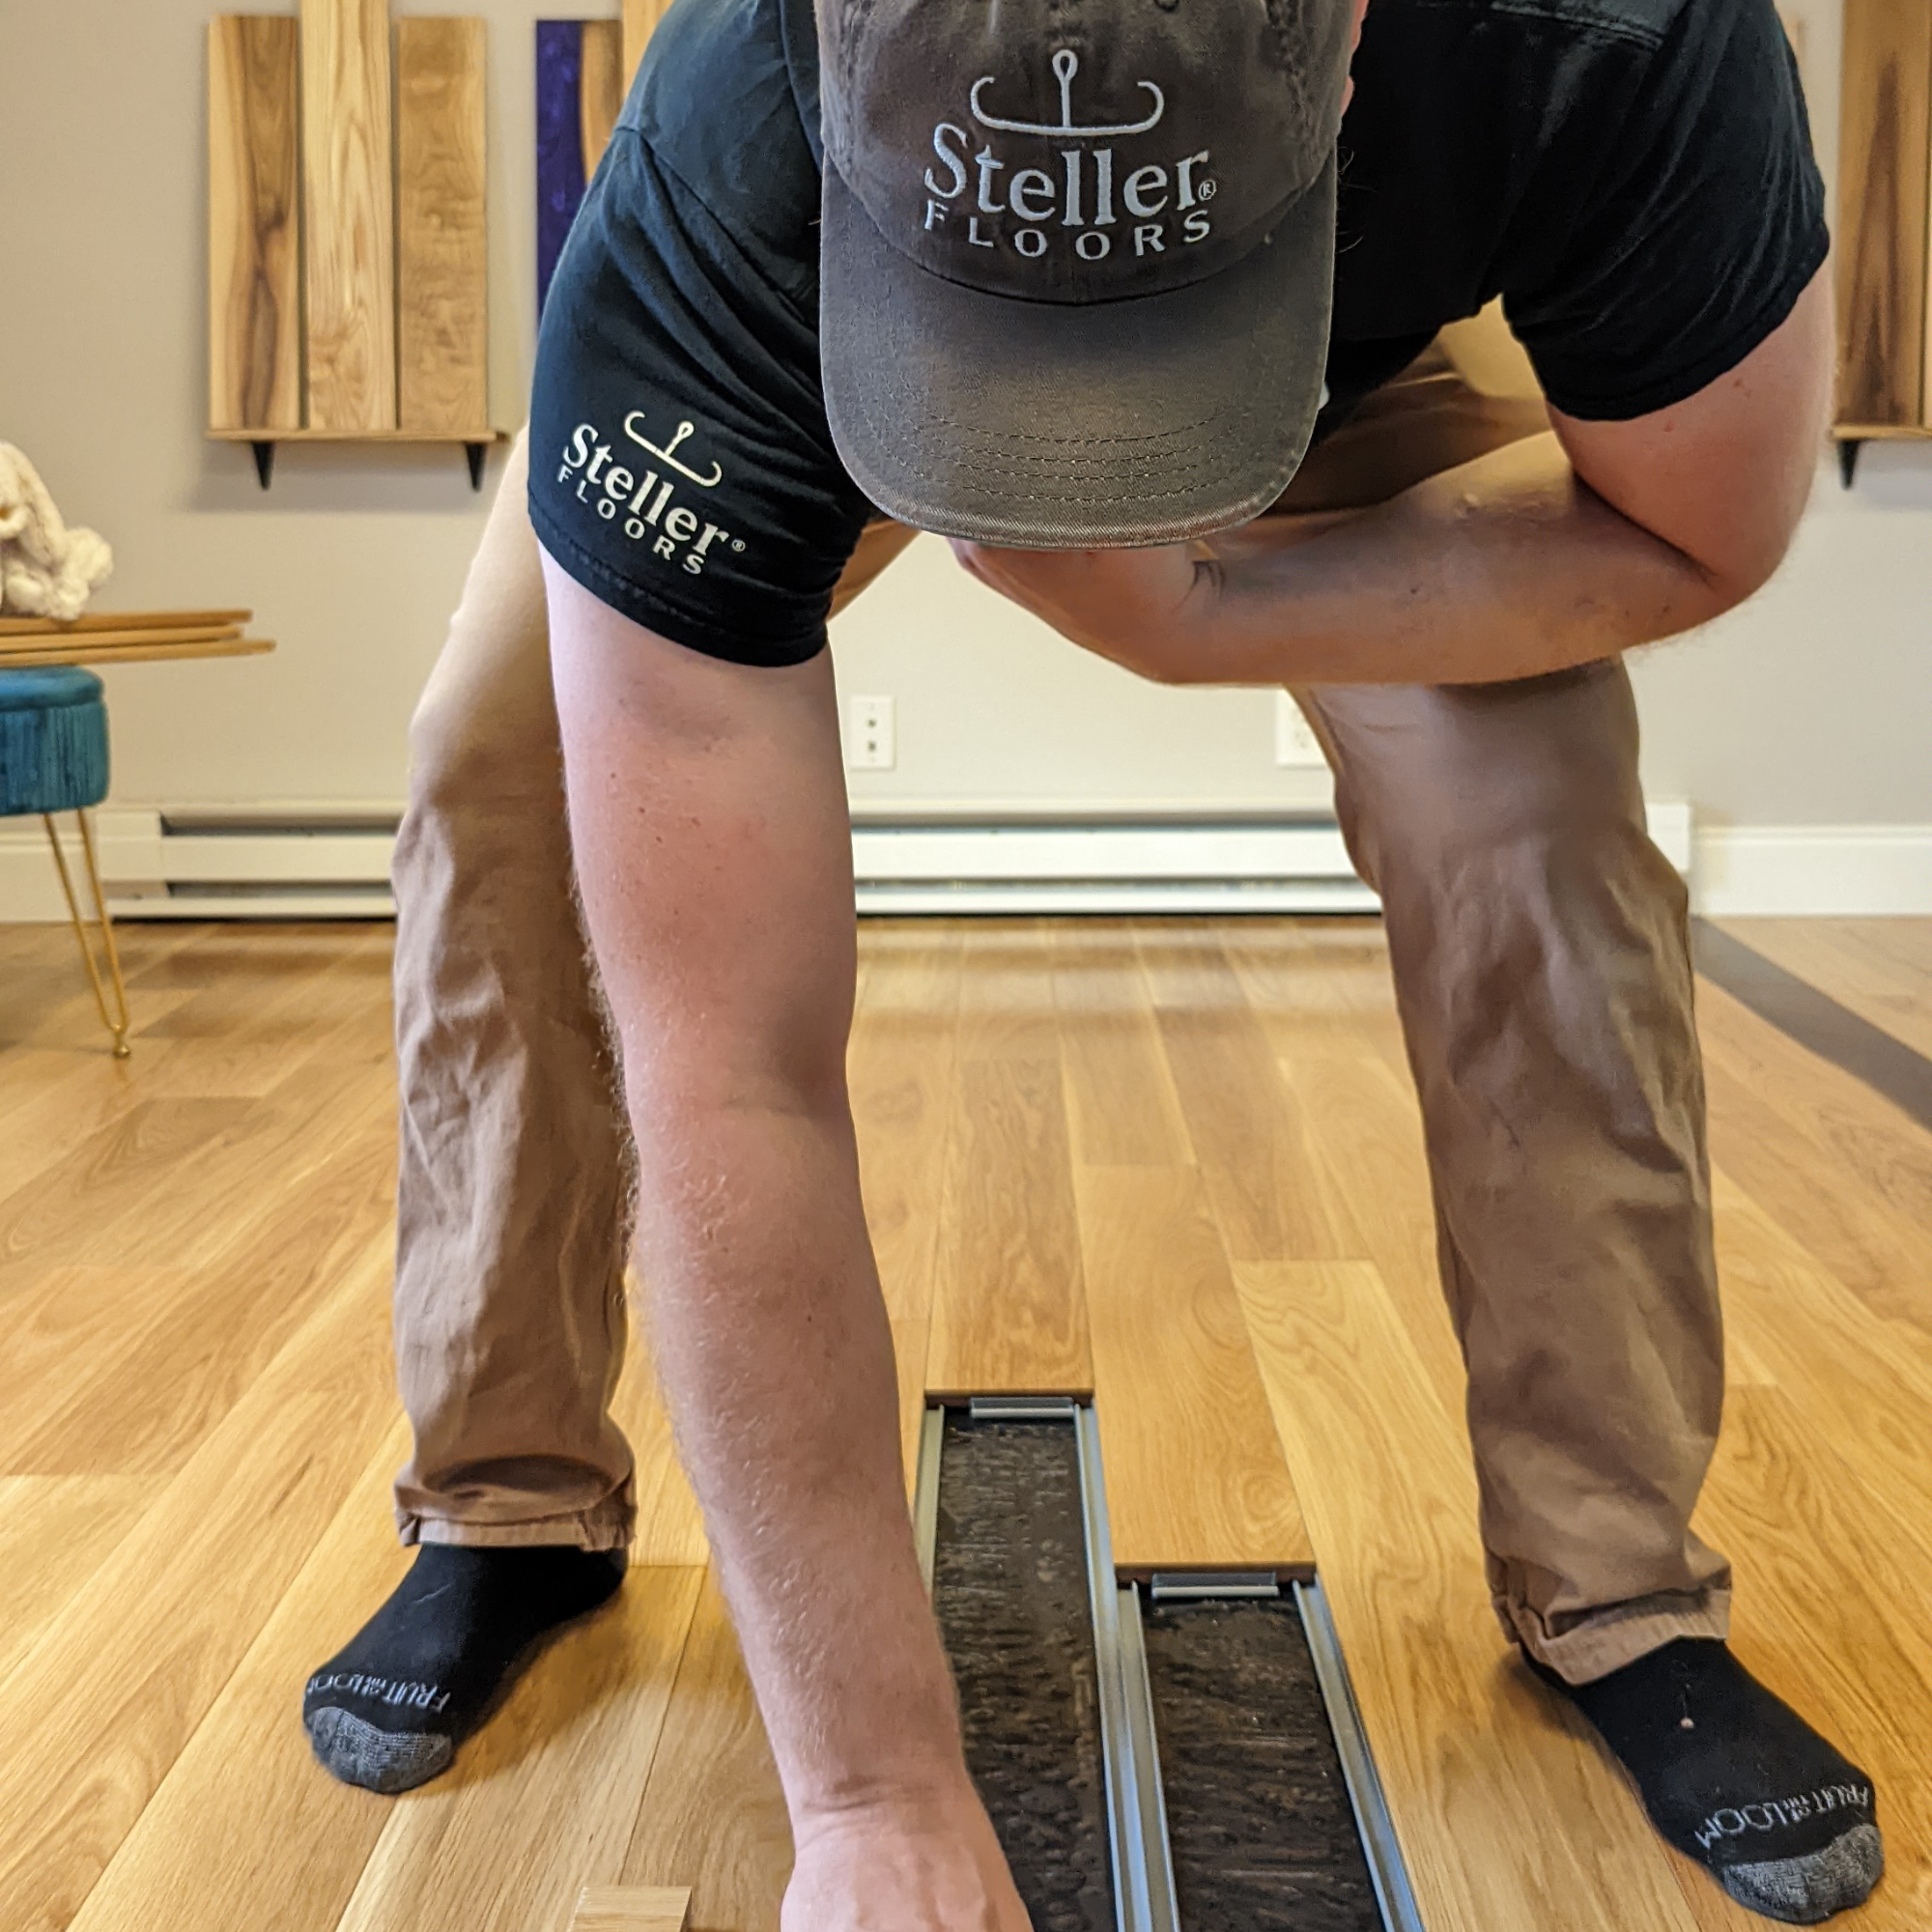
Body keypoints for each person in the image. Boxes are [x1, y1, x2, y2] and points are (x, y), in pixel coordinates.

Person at [302, 0, 1885, 1921]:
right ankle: (511, 1501)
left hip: (1336, 361)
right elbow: (730, 1060)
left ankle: (1616, 1591)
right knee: (502, 767)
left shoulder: (1606, 34)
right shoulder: (736, 156)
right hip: (837, 319)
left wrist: (1195, 627)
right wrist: (871, 1794)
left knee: (1532, 819)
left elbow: (1697, 525)